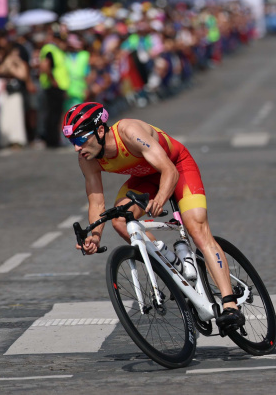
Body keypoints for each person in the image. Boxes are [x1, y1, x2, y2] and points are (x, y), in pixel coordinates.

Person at [65, 102, 244, 331]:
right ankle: (174, 265)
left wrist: (160, 199)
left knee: (197, 229)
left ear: (100, 131)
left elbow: (169, 170)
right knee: (120, 220)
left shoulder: (128, 132)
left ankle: (230, 305)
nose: (76, 148)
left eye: (80, 139)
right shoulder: (87, 158)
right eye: (72, 142)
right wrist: (95, 236)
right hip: (145, 178)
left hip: (177, 166)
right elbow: (96, 201)